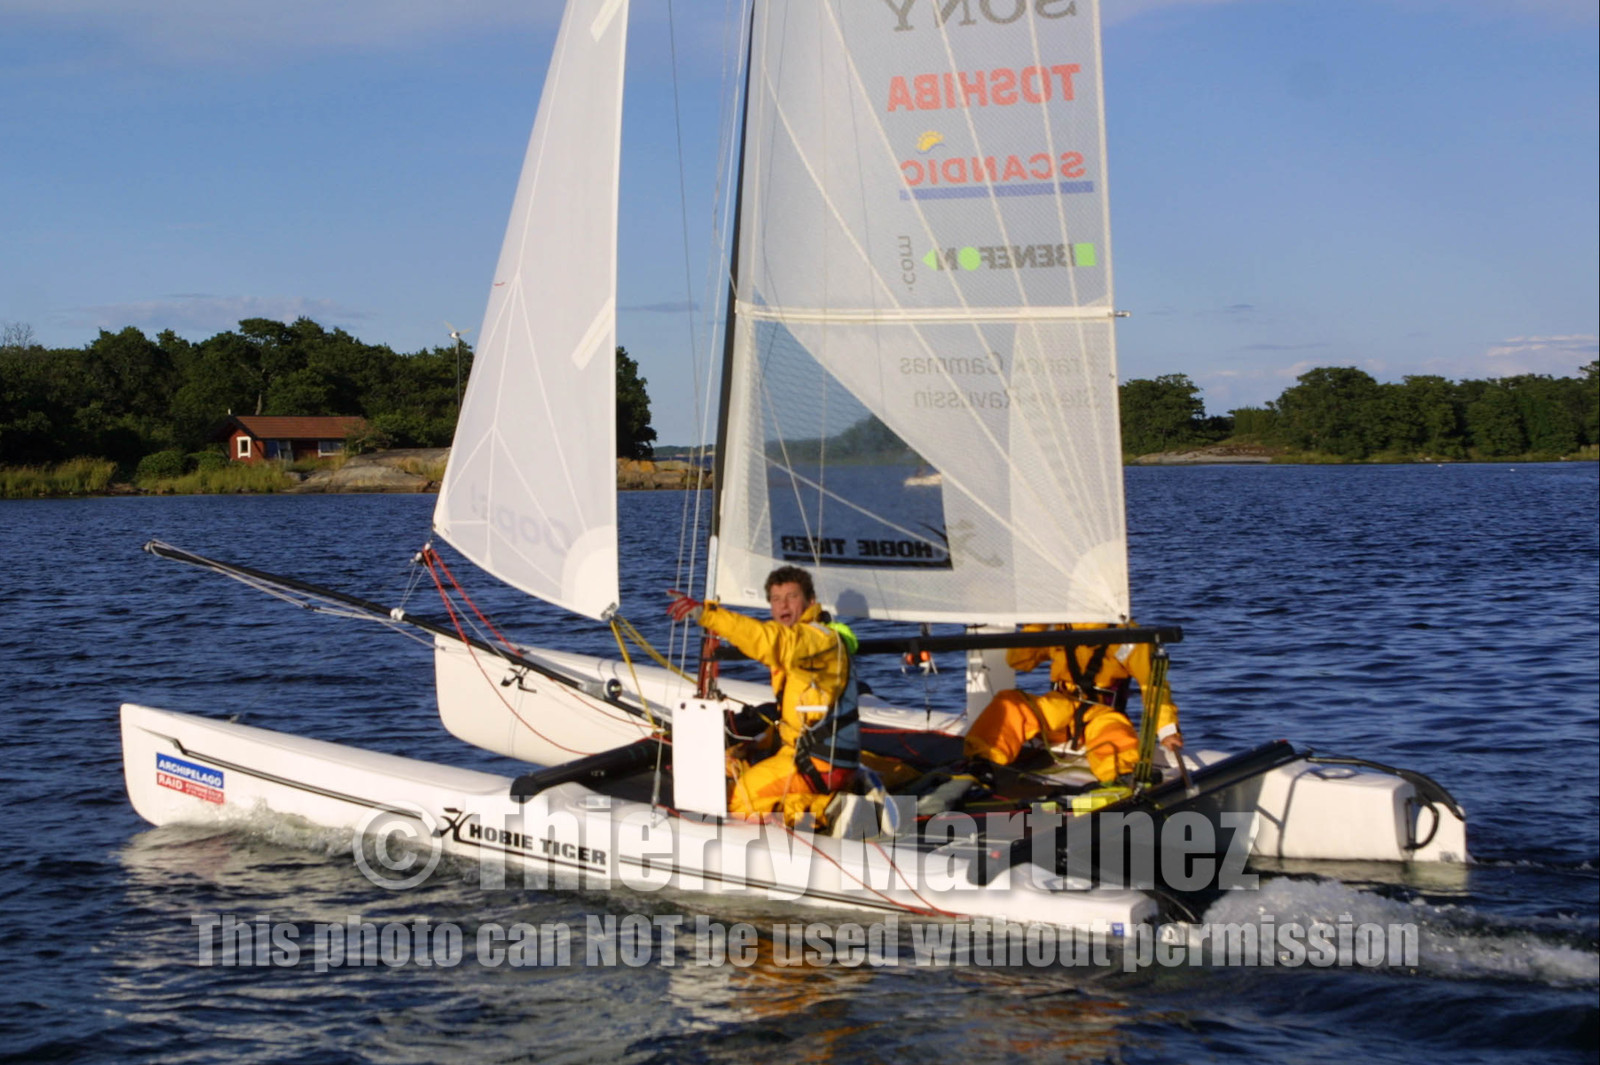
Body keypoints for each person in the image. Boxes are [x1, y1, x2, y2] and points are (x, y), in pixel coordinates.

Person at [667, 566, 861, 829]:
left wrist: (709, 616)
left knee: (735, 801)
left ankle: (828, 809)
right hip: (803, 753)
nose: (783, 605)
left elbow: (771, 640)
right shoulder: (798, 643)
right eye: (776, 599)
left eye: (792, 597)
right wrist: (759, 743)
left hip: (819, 767)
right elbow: (800, 718)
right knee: (728, 765)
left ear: (810, 602)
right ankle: (812, 801)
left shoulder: (818, 641)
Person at [963, 623, 1182, 784]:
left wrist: (1167, 730)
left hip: (1101, 712)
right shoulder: (1058, 627)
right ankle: (982, 763)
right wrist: (1038, 623)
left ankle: (1119, 777)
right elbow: (1018, 660)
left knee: (1116, 735)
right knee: (1009, 703)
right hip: (1060, 706)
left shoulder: (1129, 637)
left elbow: (1152, 685)